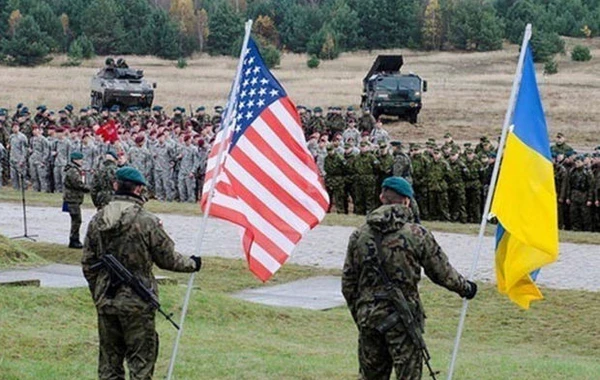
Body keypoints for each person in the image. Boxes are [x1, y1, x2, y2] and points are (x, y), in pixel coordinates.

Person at [342, 176, 477, 380]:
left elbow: (348, 283)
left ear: (381, 197)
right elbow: (442, 273)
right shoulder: (417, 234)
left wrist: (361, 312)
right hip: (402, 317)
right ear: (406, 201)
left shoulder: (359, 235)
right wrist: (466, 288)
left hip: (368, 316)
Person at [82, 166, 202, 380]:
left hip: (106, 301)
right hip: (138, 302)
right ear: (139, 190)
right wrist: (192, 264)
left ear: (115, 186)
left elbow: (88, 263)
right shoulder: (147, 221)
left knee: (109, 363)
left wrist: (98, 292)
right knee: (141, 363)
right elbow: (168, 259)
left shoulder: (98, 220)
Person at [63, 152, 89, 248]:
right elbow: (78, 184)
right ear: (75, 160)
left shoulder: (74, 169)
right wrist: (89, 189)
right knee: (76, 220)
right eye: (80, 159)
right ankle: (74, 240)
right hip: (72, 198)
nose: (82, 161)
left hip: (73, 198)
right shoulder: (73, 171)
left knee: (76, 219)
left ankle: (75, 239)